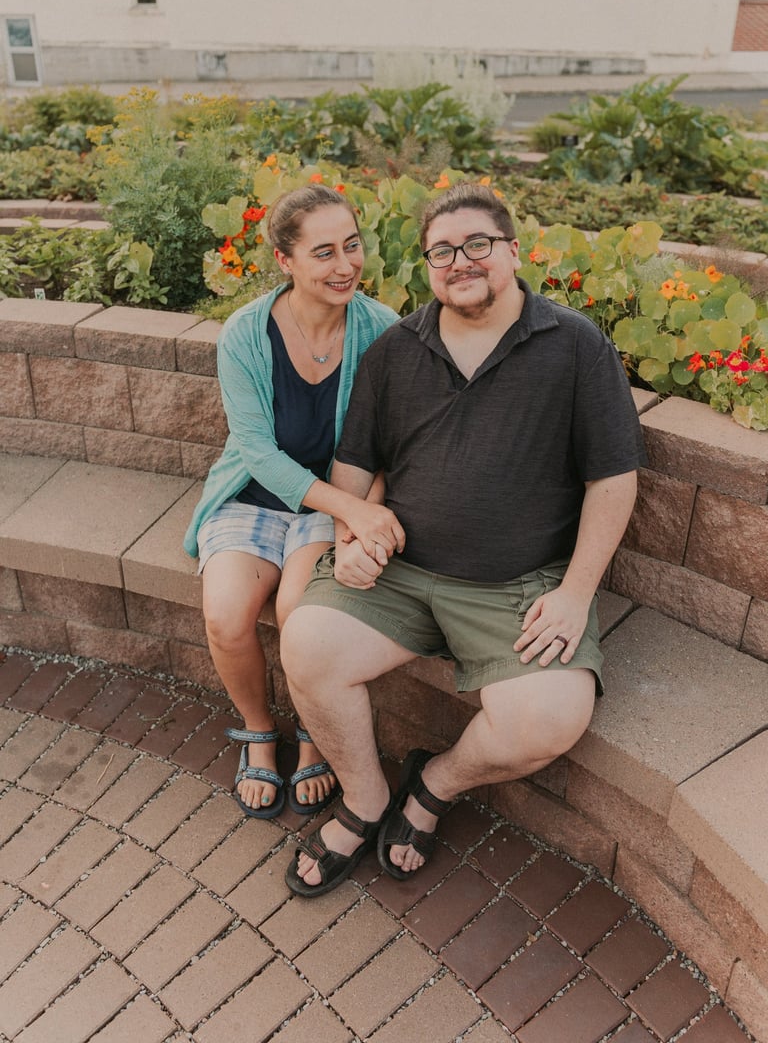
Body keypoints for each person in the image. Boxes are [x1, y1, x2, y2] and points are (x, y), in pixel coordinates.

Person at [280, 182, 646, 894]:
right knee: (306, 642)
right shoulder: (394, 351)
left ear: (512, 250)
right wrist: (350, 536)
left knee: (547, 719)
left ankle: (433, 783)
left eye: (478, 244)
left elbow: (613, 481)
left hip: (521, 585)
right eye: (442, 251)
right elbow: (354, 468)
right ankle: (365, 799)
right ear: (426, 266)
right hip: (402, 573)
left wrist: (575, 595)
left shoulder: (574, 346)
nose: (461, 261)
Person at [183, 185, 402, 820]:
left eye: (353, 246)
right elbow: (256, 453)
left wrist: (355, 512)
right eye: (324, 252)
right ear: (285, 260)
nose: (345, 266)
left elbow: (389, 444)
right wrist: (356, 512)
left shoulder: (381, 331)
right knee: (226, 617)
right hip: (250, 501)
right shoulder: (246, 333)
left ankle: (315, 734)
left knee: (297, 618)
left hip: (332, 507)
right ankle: (258, 730)